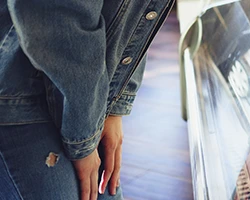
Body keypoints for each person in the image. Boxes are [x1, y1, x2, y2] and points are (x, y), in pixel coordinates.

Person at [0, 1, 173, 200]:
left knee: (106, 193)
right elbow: (53, 12)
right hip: (15, 89)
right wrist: (83, 139)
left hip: (86, 92)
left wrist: (113, 106)